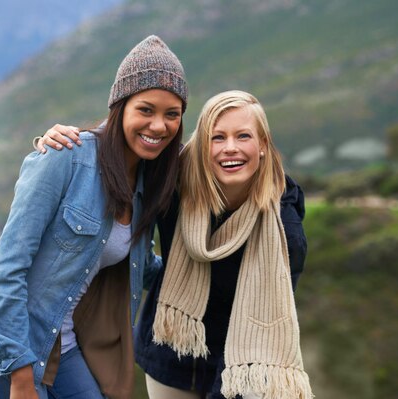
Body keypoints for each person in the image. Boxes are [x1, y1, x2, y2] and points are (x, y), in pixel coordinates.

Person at [0, 35, 188, 399]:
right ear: (120, 107)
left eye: (172, 114)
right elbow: (5, 270)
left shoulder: (147, 182)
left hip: (59, 342)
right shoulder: (66, 156)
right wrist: (19, 374)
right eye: (146, 110)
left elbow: (144, 266)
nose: (159, 126)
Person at [36, 90, 312, 399]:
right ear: (201, 146)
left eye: (243, 136)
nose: (230, 148)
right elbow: (123, 152)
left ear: (262, 145)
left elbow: (267, 324)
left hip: (242, 363)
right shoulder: (175, 181)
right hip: (170, 351)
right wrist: (67, 145)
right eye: (217, 137)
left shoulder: (283, 229)